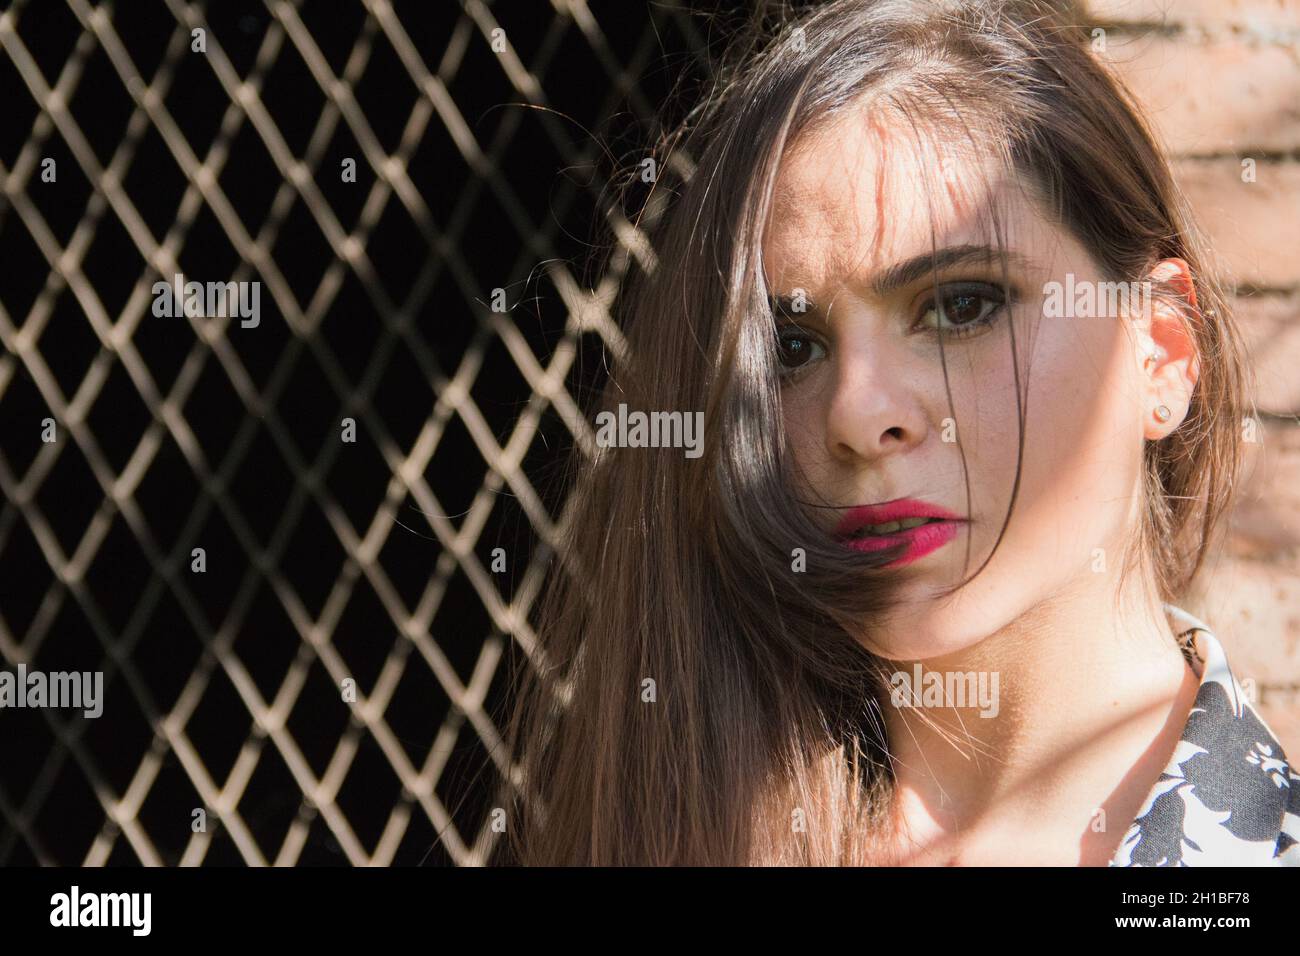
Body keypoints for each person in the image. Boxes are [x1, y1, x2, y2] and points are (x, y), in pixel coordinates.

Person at [499, 0, 1299, 865]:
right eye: (794, 347)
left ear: (1163, 351)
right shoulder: (667, 814)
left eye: (962, 305)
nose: (855, 411)